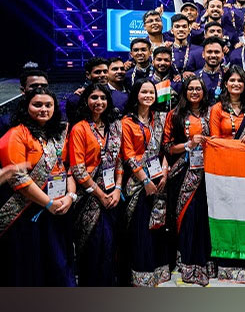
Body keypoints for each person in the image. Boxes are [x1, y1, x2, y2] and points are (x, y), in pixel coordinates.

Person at [0, 87, 76, 286]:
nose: (44, 109)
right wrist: (48, 203)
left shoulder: (58, 133)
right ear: (26, 107)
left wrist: (70, 197)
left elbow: (68, 169)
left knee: (59, 264)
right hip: (27, 213)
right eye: (37, 105)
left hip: (58, 209)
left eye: (48, 105)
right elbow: (19, 179)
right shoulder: (16, 134)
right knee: (31, 267)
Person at [69, 83, 123, 286]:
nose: (99, 102)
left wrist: (117, 189)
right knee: (91, 248)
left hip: (112, 195)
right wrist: (101, 195)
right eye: (94, 97)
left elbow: (119, 160)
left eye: (103, 98)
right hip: (89, 198)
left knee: (109, 247)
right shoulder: (79, 128)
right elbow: (78, 169)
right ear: (86, 101)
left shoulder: (113, 126)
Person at [209, 65, 245, 283]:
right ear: (225, 84)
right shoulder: (217, 109)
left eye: (240, 81)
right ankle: (224, 264)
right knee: (224, 214)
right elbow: (214, 140)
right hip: (222, 170)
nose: (236, 84)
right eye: (232, 81)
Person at [162, 76, 212, 286]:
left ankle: (205, 262)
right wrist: (189, 144)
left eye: (198, 89)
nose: (194, 92)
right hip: (183, 173)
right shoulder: (175, 115)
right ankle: (187, 262)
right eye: (190, 89)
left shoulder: (212, 113)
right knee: (186, 217)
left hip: (209, 174)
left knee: (204, 218)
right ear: (184, 92)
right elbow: (167, 147)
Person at [121, 79, 169, 287]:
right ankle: (141, 274)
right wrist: (145, 180)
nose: (148, 96)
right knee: (140, 228)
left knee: (157, 226)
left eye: (152, 92)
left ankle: (158, 270)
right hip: (138, 183)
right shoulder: (126, 122)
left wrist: (165, 171)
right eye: (144, 92)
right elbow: (129, 155)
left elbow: (164, 148)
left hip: (159, 179)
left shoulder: (160, 118)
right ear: (136, 95)